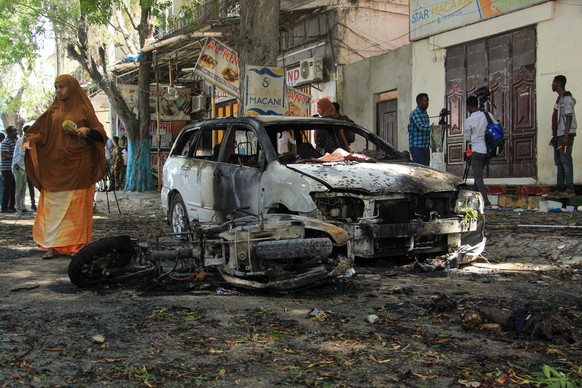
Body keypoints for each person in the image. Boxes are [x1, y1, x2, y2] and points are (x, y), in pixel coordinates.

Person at [23, 74, 107, 259]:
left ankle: (76, 246)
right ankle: (52, 246)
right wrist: (30, 141)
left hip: (79, 167)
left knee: (75, 210)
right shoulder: (52, 111)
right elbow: (39, 133)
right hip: (55, 168)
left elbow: (101, 134)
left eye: (62, 87)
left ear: (72, 88)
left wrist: (88, 131)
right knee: (52, 208)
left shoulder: (84, 108)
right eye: (56, 87)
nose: (58, 91)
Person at [463, 95, 494, 207]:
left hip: (476, 150)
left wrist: (467, 152)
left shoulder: (469, 120)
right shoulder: (487, 115)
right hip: (487, 150)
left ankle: (486, 202)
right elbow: (495, 126)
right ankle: (474, 201)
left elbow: (467, 138)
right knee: (478, 176)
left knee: (478, 177)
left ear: (468, 107)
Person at [549, 75, 577, 196]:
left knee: (566, 161)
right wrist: (554, 136)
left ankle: (570, 188)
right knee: (559, 162)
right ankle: (560, 188)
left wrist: (565, 136)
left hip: (565, 135)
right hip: (558, 136)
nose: (552, 85)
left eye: (553, 83)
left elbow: (569, 116)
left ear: (558, 84)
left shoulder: (566, 98)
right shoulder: (559, 99)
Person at [408, 93, 433, 166]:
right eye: (425, 101)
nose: (427, 103)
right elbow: (421, 127)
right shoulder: (415, 113)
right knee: (420, 169)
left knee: (426, 168)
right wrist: (436, 128)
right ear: (418, 102)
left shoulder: (425, 114)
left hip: (425, 146)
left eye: (428, 101)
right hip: (417, 147)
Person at [12, 126, 29, 213]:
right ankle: (18, 207)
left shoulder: (27, 141)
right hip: (18, 166)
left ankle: (22, 206)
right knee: (19, 188)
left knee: (23, 188)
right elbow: (23, 154)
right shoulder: (21, 141)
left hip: (24, 167)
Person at [1, 126, 17, 213]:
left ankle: (12, 206)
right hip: (7, 168)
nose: (16, 133)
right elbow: (4, 154)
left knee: (13, 187)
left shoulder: (14, 141)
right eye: (15, 131)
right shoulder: (6, 142)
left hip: (13, 167)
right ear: (10, 132)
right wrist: (15, 157)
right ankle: (4, 207)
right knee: (7, 187)